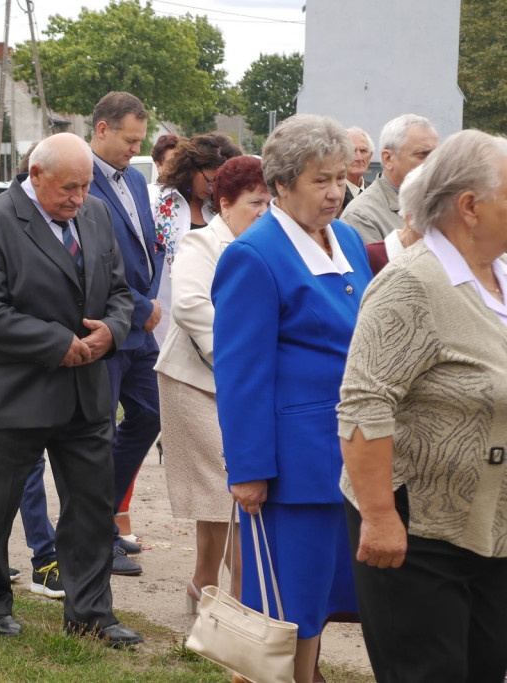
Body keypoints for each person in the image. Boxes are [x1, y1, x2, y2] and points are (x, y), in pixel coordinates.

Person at [0, 132, 141, 646]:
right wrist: (56, 342)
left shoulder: (97, 216)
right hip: (14, 392)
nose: (79, 199)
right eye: (69, 189)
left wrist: (113, 330)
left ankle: (91, 614)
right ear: (36, 176)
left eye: (85, 187)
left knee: (90, 504)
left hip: (85, 390)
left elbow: (120, 291)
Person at [339, 129, 507, 682]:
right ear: (470, 206)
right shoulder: (411, 284)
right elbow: (364, 405)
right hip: (418, 534)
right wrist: (380, 515)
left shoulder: (501, 276)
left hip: (493, 528)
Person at [212, 114, 371, 683]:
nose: (335, 192)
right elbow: (242, 374)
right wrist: (249, 469)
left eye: (340, 179)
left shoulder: (347, 236)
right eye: (320, 181)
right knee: (286, 605)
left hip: (352, 454)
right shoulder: (253, 255)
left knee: (324, 598)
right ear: (281, 185)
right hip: (292, 466)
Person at [155, 155, 271, 612]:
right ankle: (238, 610)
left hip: (245, 387)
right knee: (233, 493)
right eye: (254, 203)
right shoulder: (201, 243)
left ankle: (203, 584)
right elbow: (189, 307)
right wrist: (243, 356)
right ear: (224, 202)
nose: (264, 212)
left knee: (220, 495)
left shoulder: (270, 245)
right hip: (195, 383)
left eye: (269, 202)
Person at [87, 92, 165, 576]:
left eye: (140, 140)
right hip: (105, 324)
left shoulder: (134, 178)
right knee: (96, 433)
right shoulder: (80, 179)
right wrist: (138, 307)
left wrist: (150, 301)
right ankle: (95, 534)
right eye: (128, 140)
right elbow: (91, 261)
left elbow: (146, 248)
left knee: (150, 414)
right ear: (101, 129)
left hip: (141, 325)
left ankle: (105, 516)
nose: (134, 149)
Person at [152, 134, 241, 340]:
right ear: (191, 167)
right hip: (162, 315)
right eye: (209, 181)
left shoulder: (220, 210)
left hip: (208, 318)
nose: (212, 189)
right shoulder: (156, 200)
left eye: (218, 184)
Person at [342, 114, 438, 244]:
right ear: (388, 159)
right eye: (422, 155)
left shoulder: (442, 205)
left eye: (436, 155)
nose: (433, 163)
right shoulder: (361, 216)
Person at [340, 127, 373, 214]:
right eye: (353, 151)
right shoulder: (335, 192)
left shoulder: (376, 190)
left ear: (370, 156)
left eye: (363, 151)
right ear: (340, 156)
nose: (359, 158)